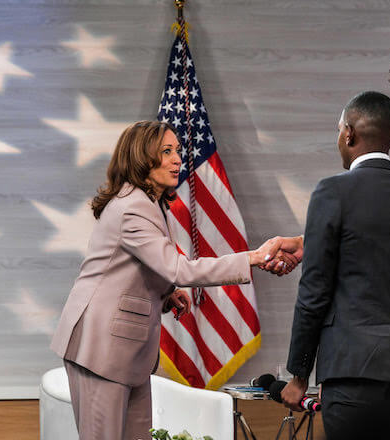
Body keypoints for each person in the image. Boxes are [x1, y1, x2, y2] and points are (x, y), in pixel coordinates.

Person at [50, 120, 300, 440]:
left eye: (178, 151)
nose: (177, 159)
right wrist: (251, 257)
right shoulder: (132, 207)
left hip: (127, 352)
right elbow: (179, 269)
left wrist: (166, 294)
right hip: (101, 348)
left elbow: (131, 267)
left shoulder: (149, 203)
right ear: (141, 156)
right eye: (166, 151)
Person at [280, 91, 390, 440]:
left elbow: (314, 291)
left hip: (351, 370)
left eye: (340, 131)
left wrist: (299, 375)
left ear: (349, 134)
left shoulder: (331, 193)